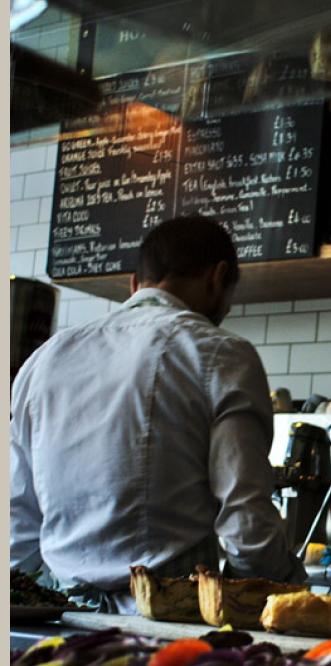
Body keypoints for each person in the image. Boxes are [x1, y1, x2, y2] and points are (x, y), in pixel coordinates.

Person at [10, 214, 307, 613]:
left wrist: (34, 605)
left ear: (135, 283)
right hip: (167, 627)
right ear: (218, 278)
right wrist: (276, 590)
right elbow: (245, 518)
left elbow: (17, 522)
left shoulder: (43, 360)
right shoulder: (221, 355)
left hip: (61, 622)